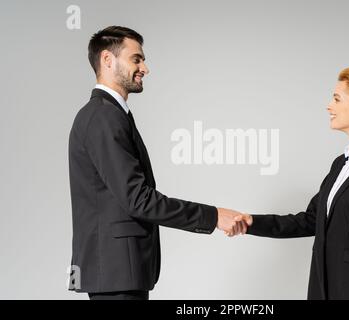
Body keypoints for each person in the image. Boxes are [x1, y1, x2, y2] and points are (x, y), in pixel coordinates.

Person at [68, 26, 244, 300]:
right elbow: (138, 200)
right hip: (116, 276)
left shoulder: (110, 114)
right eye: (136, 59)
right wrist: (213, 216)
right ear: (107, 60)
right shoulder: (104, 117)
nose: (145, 68)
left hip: (117, 274)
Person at [234, 65, 349, 300]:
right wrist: (252, 222)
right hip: (322, 291)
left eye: (337, 99)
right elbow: (310, 220)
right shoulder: (340, 164)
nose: (329, 106)